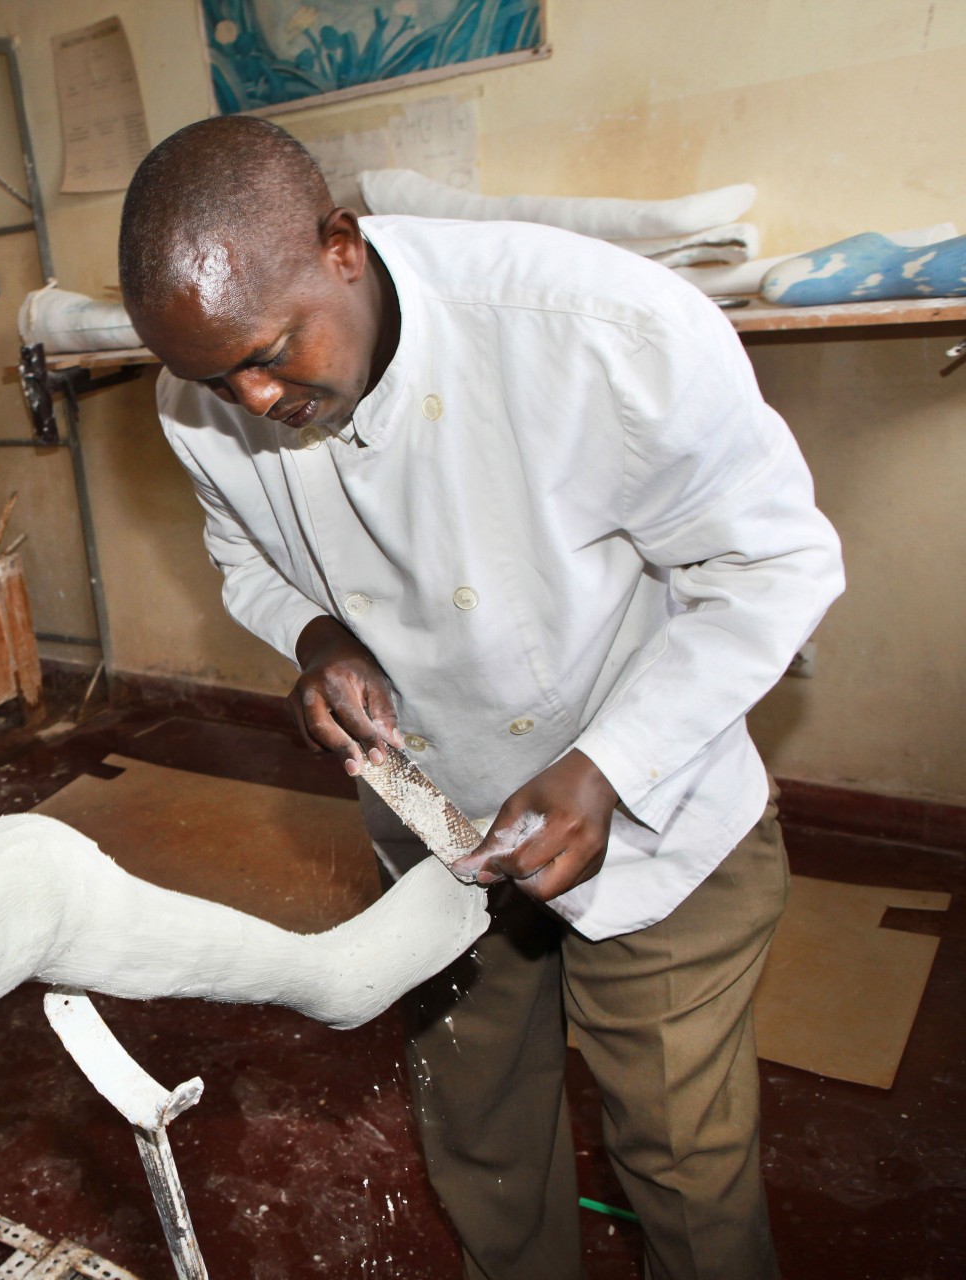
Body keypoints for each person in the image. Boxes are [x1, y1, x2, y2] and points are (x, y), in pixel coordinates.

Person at [117, 116, 843, 1280]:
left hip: (651, 817)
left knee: (682, 1166)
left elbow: (779, 563)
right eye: (217, 378)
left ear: (342, 247)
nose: (251, 397)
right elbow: (239, 554)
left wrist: (605, 763)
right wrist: (314, 634)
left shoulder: (599, 331)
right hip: (437, 814)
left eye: (270, 351)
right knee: (481, 1139)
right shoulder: (197, 401)